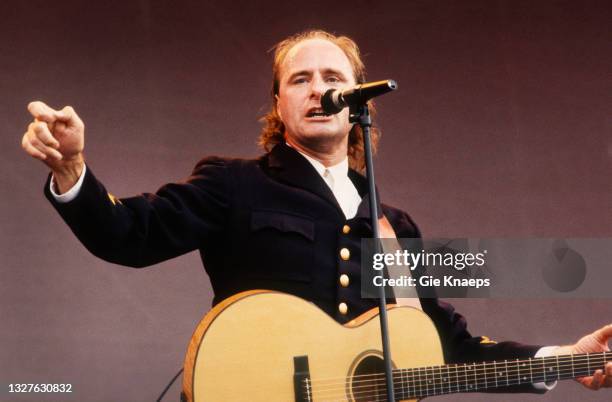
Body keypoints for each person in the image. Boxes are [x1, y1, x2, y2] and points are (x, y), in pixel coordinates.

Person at [21, 29, 611, 394]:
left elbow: (448, 344)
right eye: (299, 79)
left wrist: (565, 357)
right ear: (278, 103)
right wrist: (72, 172)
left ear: (357, 102)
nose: (317, 88)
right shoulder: (233, 182)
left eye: (333, 77)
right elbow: (131, 235)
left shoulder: (397, 226)